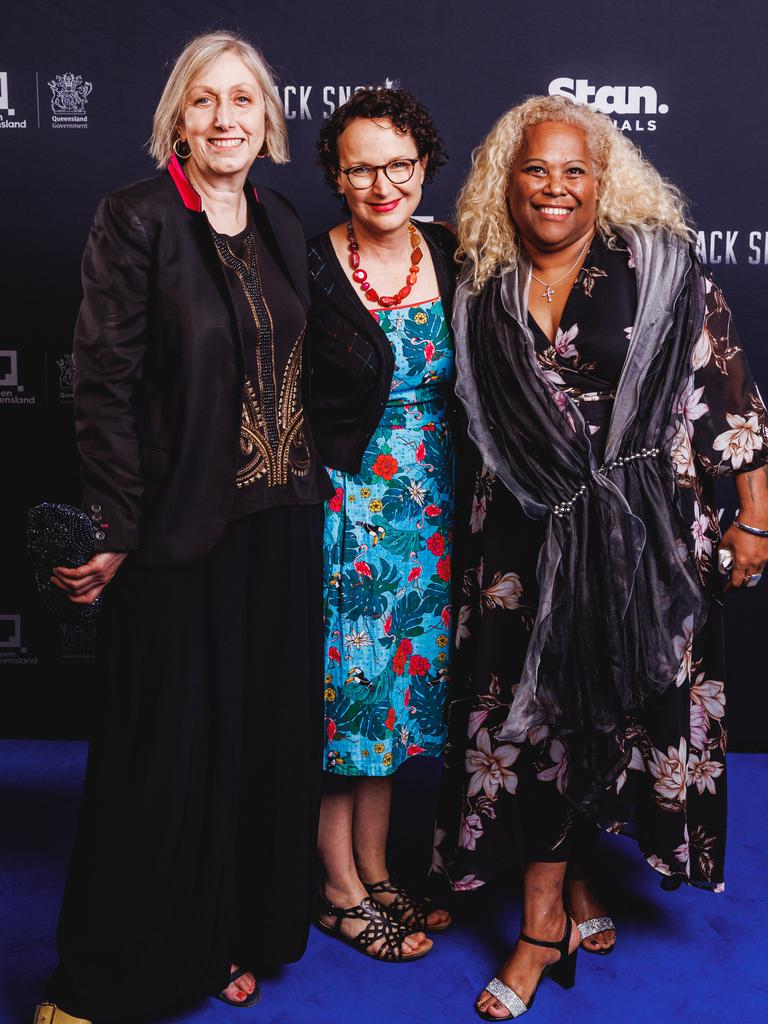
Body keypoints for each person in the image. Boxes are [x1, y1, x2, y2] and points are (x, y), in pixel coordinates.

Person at [430, 95, 768, 1020]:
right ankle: (555, 905)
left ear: (601, 179)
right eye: (536, 169)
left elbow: (725, 392)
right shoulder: (481, 284)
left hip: (642, 542)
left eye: (574, 170)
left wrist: (756, 519)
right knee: (531, 724)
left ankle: (550, 912)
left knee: (615, 714)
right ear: (509, 177)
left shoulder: (657, 268)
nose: (555, 187)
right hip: (522, 547)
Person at [36, 31, 332, 1024]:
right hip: (179, 527)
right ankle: (107, 976)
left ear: (267, 119)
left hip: (280, 523)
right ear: (177, 116)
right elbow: (103, 387)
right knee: (163, 756)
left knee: (257, 744)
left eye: (242, 100)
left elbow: (317, 361)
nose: (224, 119)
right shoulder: (135, 219)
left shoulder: (286, 221)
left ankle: (228, 937)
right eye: (204, 101)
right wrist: (115, 522)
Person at [307, 87, 457, 961]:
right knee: (352, 706)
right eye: (360, 167)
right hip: (348, 512)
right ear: (336, 174)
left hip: (432, 514)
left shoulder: (449, 251)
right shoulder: (310, 263)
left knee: (397, 703)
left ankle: (378, 869)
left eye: (397, 164)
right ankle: (336, 886)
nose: (381, 183)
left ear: (425, 165)